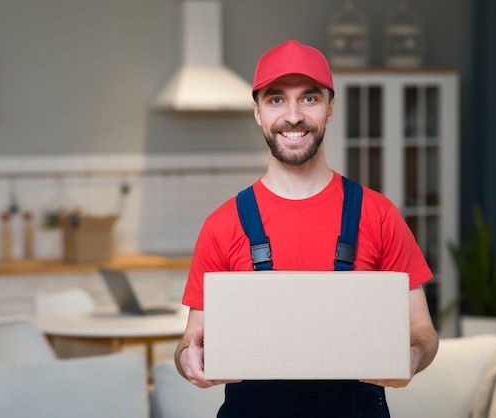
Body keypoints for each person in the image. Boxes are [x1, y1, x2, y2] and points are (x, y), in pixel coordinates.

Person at [174, 39, 439, 418]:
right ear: (258, 112)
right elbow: (189, 340)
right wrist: (189, 358)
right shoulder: (223, 224)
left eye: (310, 99)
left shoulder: (378, 215)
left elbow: (424, 333)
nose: (293, 116)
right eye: (276, 99)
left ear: (331, 109)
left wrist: (411, 357)